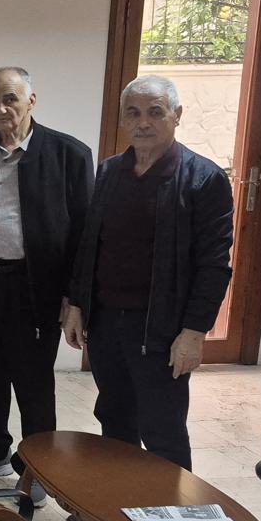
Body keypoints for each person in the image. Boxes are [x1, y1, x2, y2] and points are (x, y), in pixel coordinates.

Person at [64, 75, 233, 471]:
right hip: (106, 323)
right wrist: (76, 305)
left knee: (163, 430)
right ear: (123, 119)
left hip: (162, 329)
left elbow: (214, 265)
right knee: (114, 418)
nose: (144, 122)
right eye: (134, 113)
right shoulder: (110, 172)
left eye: (155, 112)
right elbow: (89, 245)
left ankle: (169, 510)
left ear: (177, 115)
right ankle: (121, 502)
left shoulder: (204, 179)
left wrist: (194, 333)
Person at [0, 67, 92, 484]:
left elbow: (84, 235)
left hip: (34, 287)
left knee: (33, 380)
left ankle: (37, 469)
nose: (0, 109)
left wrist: (74, 296)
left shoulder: (68, 154)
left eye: (9, 99)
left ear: (31, 100)